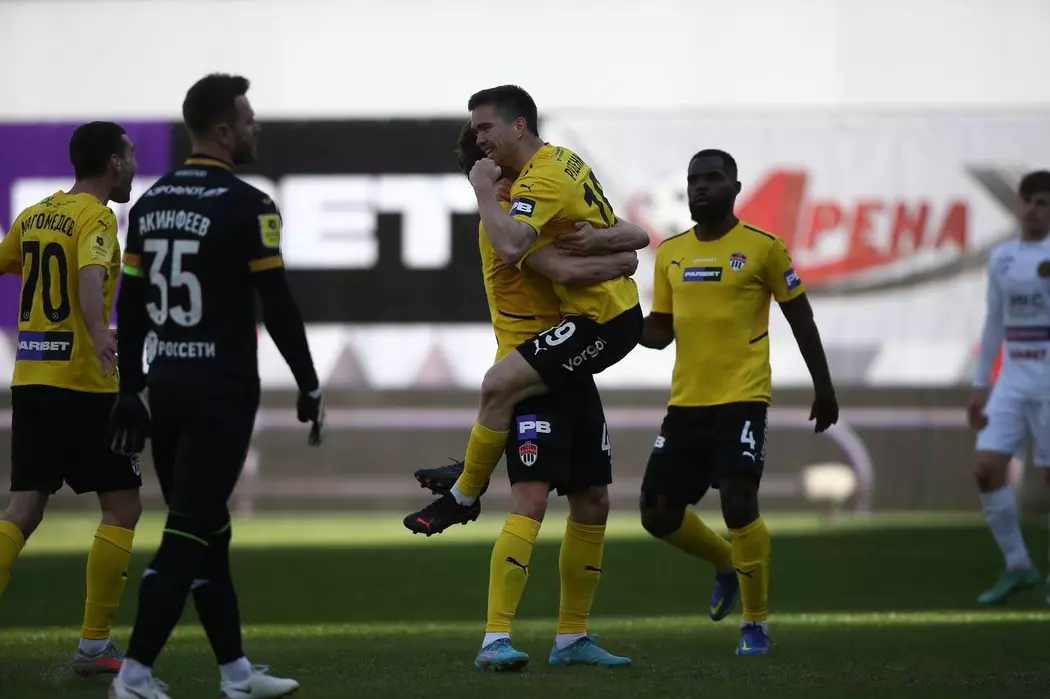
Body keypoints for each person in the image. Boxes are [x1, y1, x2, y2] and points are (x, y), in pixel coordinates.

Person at [104, 73, 325, 699]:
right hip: (221, 392)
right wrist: (308, 383)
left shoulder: (151, 204)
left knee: (207, 531)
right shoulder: (248, 204)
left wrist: (131, 388)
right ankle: (134, 675)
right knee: (187, 531)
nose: (256, 128)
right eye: (249, 120)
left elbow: (133, 304)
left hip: (166, 388)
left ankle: (235, 674)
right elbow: (276, 304)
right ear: (224, 131)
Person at [407, 121, 645, 670]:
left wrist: (612, 242)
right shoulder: (505, 222)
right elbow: (561, 266)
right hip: (531, 364)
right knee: (531, 499)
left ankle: (572, 638)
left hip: (567, 356)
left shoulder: (536, 202)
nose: (518, 180)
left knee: (594, 499)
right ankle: (494, 637)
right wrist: (620, 260)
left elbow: (627, 233)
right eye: (504, 174)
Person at [638, 149, 838, 656]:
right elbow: (659, 332)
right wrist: (611, 324)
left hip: (743, 398)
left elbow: (801, 318)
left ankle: (754, 624)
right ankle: (726, 563)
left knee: (739, 502)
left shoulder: (763, 248)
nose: (700, 187)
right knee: (657, 513)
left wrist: (824, 386)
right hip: (687, 404)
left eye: (712, 178)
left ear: (735, 188)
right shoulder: (670, 253)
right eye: (693, 180)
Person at [0, 121, 141, 678]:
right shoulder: (97, 217)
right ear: (113, 162)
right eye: (130, 157)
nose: (133, 167)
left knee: (23, 510)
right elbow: (87, 277)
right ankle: (94, 645)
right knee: (123, 508)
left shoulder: (35, 214)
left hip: (32, 378)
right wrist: (100, 331)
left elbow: (9, 263)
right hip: (84, 385)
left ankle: (94, 647)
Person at [967, 169, 1050, 606]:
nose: (1034, 210)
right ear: (1018, 205)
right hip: (1013, 379)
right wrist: (980, 384)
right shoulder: (1002, 257)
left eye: (1044, 203)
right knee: (986, 469)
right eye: (1028, 201)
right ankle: (1018, 565)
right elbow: (994, 321)